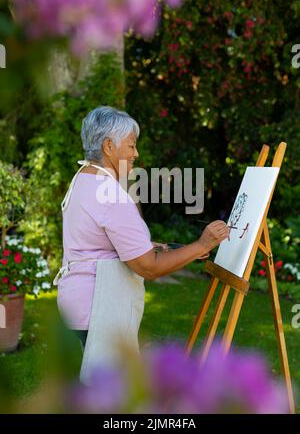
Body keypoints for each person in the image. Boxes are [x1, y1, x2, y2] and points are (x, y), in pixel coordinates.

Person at [54, 106, 229, 383]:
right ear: (108, 146)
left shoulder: (83, 179)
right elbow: (149, 267)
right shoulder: (109, 193)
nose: (136, 154)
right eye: (132, 145)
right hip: (98, 309)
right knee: (112, 399)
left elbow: (99, 240)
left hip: (79, 302)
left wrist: (150, 245)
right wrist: (201, 244)